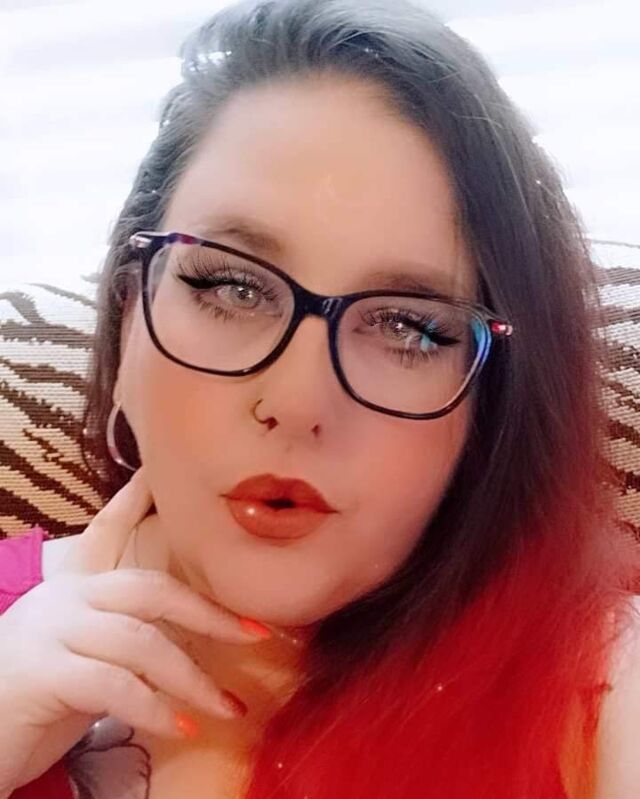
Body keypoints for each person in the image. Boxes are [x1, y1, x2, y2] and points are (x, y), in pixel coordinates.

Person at [1, 0, 639, 796]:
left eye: (408, 327)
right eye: (232, 286)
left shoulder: (596, 685)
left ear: (488, 405)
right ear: (130, 313)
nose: (300, 400)